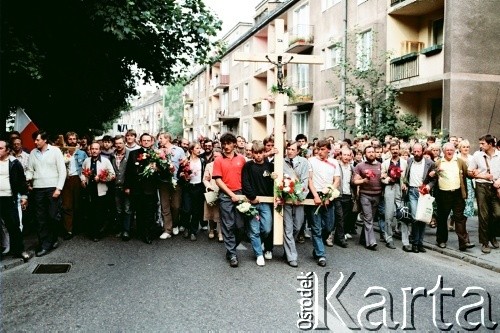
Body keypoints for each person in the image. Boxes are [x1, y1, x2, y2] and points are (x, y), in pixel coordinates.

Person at [26, 130, 66, 257]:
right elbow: (30, 170)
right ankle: (44, 244)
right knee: (40, 218)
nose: (35, 142)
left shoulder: (55, 151)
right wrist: (28, 180)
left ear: (45, 140)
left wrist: (58, 188)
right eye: (35, 140)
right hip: (38, 189)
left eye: (37, 140)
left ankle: (53, 238)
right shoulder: (33, 153)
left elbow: (62, 171)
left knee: (53, 216)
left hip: (52, 189)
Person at [431, 142, 474, 251]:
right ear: (444, 151)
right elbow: (432, 175)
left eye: (451, 150)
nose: (449, 152)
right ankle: (441, 240)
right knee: (442, 218)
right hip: (443, 194)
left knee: (459, 218)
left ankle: (463, 242)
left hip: (457, 194)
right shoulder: (438, 162)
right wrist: (435, 172)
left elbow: (467, 174)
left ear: (454, 151)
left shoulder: (460, 162)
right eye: (447, 150)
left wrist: (472, 173)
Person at [212, 133, 246, 267]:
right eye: (224, 144)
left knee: (241, 226)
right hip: (226, 196)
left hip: (240, 195)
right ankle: (232, 253)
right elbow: (218, 180)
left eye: (229, 143)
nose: (226, 146)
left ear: (234, 144)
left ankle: (232, 247)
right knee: (228, 225)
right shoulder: (218, 160)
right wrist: (230, 193)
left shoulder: (242, 159)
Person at [307, 139, 340, 266]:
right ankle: (321, 254)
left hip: (328, 196)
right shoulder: (311, 161)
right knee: (316, 228)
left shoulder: (334, 162)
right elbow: (309, 179)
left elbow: (336, 180)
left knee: (329, 226)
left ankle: (317, 248)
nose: (319, 152)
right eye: (318, 149)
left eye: (322, 149)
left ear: (328, 150)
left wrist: (329, 195)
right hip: (315, 195)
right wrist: (315, 195)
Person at [242, 141, 275, 266]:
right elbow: (245, 182)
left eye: (261, 153)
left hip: (266, 202)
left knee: (267, 228)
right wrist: (252, 197)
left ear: (264, 153)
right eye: (256, 153)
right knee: (254, 230)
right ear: (252, 154)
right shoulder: (248, 166)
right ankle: (259, 255)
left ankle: (260, 242)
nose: (258, 155)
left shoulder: (270, 166)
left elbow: (274, 183)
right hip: (252, 202)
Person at [124, 133, 160, 244]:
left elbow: (162, 170)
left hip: (151, 188)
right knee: (139, 212)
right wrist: (127, 186)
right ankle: (141, 231)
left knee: (150, 212)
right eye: (144, 140)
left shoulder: (156, 154)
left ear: (152, 141)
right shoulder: (133, 153)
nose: (146, 142)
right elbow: (128, 171)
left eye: (148, 140)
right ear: (140, 141)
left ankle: (148, 234)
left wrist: (157, 168)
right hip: (137, 188)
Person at [468, 134, 500, 254]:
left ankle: (492, 234)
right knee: (483, 215)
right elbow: (470, 172)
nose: (480, 145)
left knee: (497, 213)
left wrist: (498, 181)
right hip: (481, 185)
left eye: (483, 143)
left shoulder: (499, 156)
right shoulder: (477, 155)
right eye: (480, 143)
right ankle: (484, 242)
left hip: (495, 187)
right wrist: (481, 175)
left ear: (491, 144)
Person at [0, 139, 30, 261]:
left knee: (13, 225)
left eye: (1, 148)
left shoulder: (14, 162)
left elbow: (22, 181)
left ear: (7, 150)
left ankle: (19, 250)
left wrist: (24, 196)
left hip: (9, 198)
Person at [80, 142, 115, 241]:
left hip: (101, 190)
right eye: (92, 149)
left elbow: (112, 175)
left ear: (100, 150)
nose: (94, 151)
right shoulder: (87, 160)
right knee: (91, 211)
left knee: (100, 212)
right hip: (89, 190)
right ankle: (92, 231)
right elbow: (83, 172)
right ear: (90, 150)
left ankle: (98, 233)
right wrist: (83, 180)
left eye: (96, 149)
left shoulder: (105, 161)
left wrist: (101, 179)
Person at [282, 141, 310, 267]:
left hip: (299, 198)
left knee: (297, 226)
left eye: (293, 149)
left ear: (298, 151)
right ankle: (292, 257)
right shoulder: (281, 162)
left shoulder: (303, 162)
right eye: (288, 148)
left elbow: (305, 180)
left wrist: (300, 196)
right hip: (286, 198)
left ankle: (288, 249)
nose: (290, 151)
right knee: (287, 227)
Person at [404, 143, 435, 253]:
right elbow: (406, 176)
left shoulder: (429, 163)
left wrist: (428, 186)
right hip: (412, 191)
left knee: (423, 218)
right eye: (415, 151)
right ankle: (415, 243)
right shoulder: (409, 161)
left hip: (424, 193)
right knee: (415, 217)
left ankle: (420, 243)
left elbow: (434, 179)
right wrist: (405, 184)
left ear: (423, 151)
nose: (416, 154)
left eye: (419, 151)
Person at [353, 146, 383, 250]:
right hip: (365, 195)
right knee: (368, 218)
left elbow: (384, 178)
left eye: (372, 152)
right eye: (368, 152)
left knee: (369, 219)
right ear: (365, 154)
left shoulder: (381, 165)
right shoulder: (360, 166)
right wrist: (363, 181)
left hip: (377, 195)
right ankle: (371, 242)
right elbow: (354, 181)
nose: (371, 154)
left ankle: (363, 238)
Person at [381, 142, 409, 251]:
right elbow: (382, 178)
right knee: (388, 215)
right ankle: (389, 238)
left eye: (396, 149)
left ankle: (405, 241)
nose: (395, 151)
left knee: (403, 215)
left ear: (399, 149)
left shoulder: (404, 163)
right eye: (392, 149)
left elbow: (406, 177)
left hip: (400, 189)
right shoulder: (385, 163)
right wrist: (388, 179)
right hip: (389, 188)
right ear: (390, 150)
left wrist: (404, 184)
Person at [156, 132, 185, 239]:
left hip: (176, 181)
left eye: (161, 138)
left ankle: (175, 224)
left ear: (168, 139)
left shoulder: (179, 150)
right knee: (165, 206)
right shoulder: (158, 151)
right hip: (163, 181)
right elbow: (156, 165)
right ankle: (167, 229)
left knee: (176, 206)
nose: (160, 140)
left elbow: (184, 164)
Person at [60, 131, 88, 240]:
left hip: (78, 179)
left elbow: (86, 167)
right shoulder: (62, 152)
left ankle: (78, 226)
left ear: (77, 140)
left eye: (74, 139)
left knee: (78, 204)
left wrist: (84, 179)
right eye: (70, 139)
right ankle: (68, 230)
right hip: (66, 179)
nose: (72, 141)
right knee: (67, 205)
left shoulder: (82, 153)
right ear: (67, 140)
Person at [178, 142, 206, 241]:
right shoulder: (186, 161)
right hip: (188, 187)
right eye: (197, 148)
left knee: (196, 210)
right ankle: (186, 227)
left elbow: (206, 173)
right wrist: (183, 175)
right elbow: (179, 173)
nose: (199, 150)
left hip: (198, 187)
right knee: (186, 209)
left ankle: (193, 231)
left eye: (200, 148)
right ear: (191, 150)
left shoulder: (202, 161)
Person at [109, 135, 132, 241]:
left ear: (124, 143)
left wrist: (129, 186)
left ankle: (126, 231)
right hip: (115, 186)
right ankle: (119, 229)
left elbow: (132, 173)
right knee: (118, 209)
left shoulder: (130, 154)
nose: (118, 145)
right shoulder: (112, 155)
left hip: (126, 186)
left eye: (120, 143)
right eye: (116, 143)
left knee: (127, 209)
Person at [203, 148, 223, 242]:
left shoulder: (224, 165)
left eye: (218, 156)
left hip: (222, 190)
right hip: (211, 190)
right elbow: (205, 179)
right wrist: (209, 187)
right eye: (214, 156)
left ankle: (220, 232)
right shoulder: (209, 165)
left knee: (221, 212)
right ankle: (211, 230)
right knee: (210, 211)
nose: (216, 158)